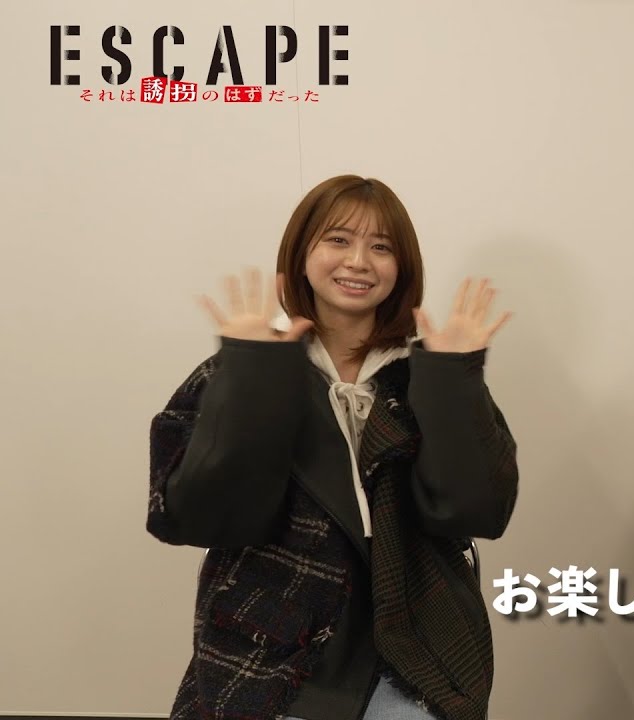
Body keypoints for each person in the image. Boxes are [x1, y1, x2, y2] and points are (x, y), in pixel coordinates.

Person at [146, 175, 518, 720]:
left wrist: (454, 377)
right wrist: (252, 376)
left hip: (416, 641)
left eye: (381, 247)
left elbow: (478, 512)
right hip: (271, 643)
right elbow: (197, 518)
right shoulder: (244, 366)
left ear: (402, 268)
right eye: (338, 240)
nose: (359, 262)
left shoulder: (423, 374)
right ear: (302, 254)